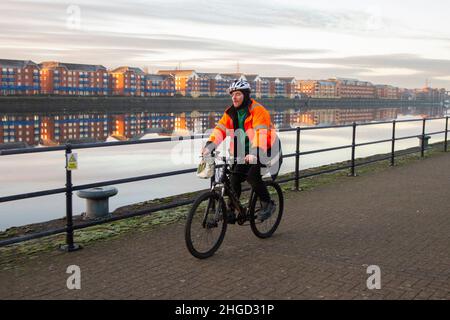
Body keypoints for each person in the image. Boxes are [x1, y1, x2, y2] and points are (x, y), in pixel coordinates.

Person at [201, 79, 282, 222]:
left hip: (266, 150)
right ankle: (231, 210)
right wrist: (209, 146)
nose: (234, 97)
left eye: (238, 94)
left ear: (245, 95)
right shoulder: (230, 113)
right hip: (243, 153)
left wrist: (255, 152)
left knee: (252, 176)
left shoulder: (258, 111)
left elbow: (261, 134)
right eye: (232, 94)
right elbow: (220, 130)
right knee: (233, 178)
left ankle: (267, 203)